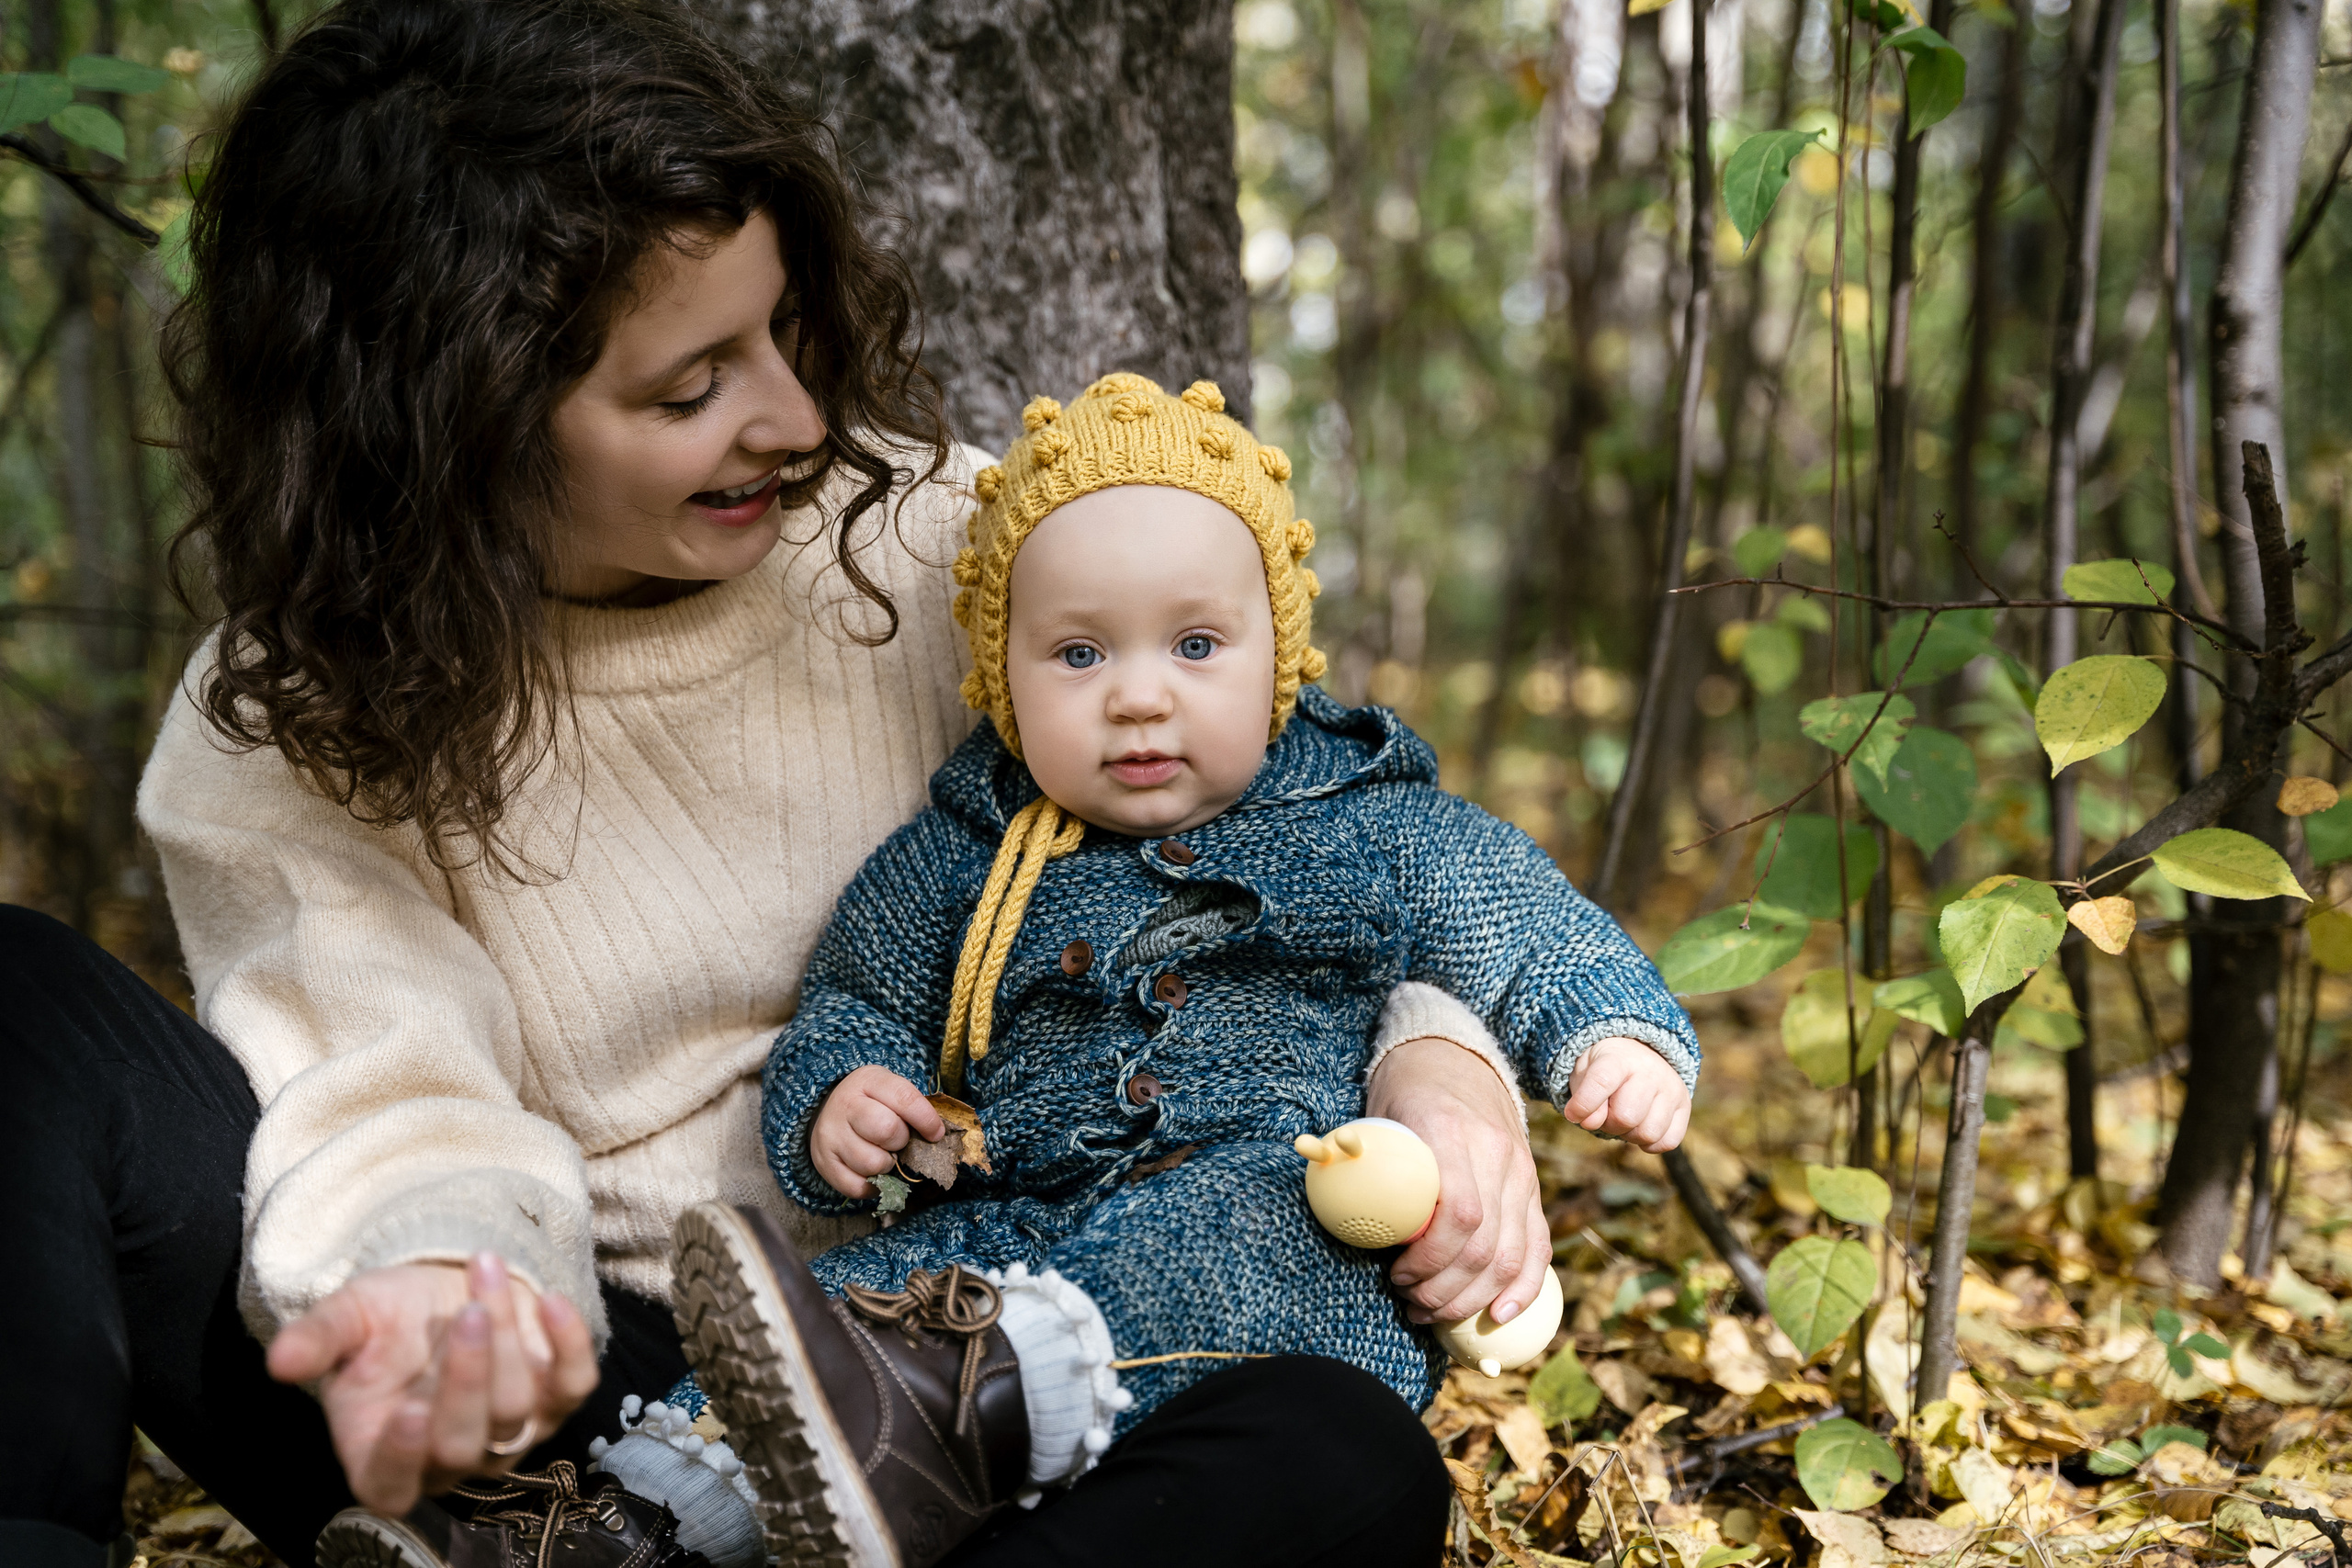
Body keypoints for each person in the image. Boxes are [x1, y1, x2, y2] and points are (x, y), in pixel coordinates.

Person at [0, 4, 1676, 1567]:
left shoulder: (962, 550)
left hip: (1017, 1346)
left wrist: (1443, 1055)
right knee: (20, 1012)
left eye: (781, 330)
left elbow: (1304, 818)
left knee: (1338, 1454)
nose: (798, 416)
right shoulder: (291, 713)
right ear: (450, 423)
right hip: (552, 1388)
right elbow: (388, 1101)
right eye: (689, 385)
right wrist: (464, 1305)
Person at [628, 375, 1699, 1568]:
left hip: (1280, 1240)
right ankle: (634, 1514)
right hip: (1014, 1228)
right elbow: (856, 999)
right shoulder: (962, 853)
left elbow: (1523, 920)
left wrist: (1612, 1035)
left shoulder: (1368, 824)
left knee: (1250, 1234)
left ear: (1277, 657)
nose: (1139, 695)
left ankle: (942, 1413)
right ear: (1001, 675)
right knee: (870, 1301)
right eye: (1079, 653)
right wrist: (845, 1095)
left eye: (1196, 645)